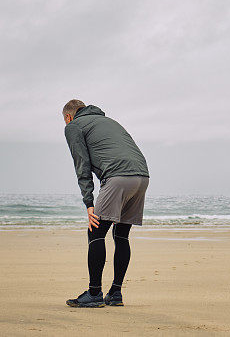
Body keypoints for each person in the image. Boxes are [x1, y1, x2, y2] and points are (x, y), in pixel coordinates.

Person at [61, 99, 150, 308]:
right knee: (121, 235)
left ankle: (94, 294)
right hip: (142, 177)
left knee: (95, 233)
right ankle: (115, 293)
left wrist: (88, 203)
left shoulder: (74, 126)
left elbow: (81, 165)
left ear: (68, 117)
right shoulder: (109, 121)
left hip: (118, 178)